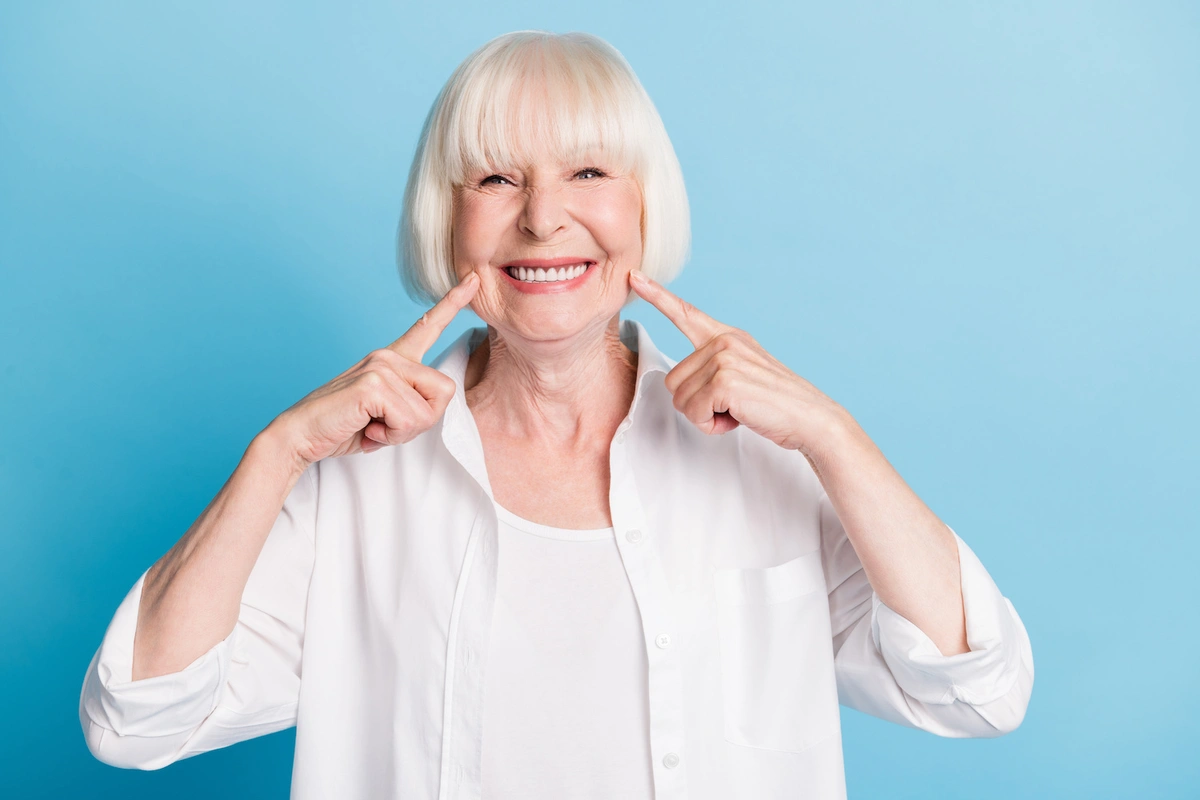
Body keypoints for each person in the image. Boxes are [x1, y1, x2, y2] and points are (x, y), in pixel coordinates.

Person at [79, 29, 1034, 800]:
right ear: (445, 218)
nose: (542, 220)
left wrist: (832, 434)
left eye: (587, 173)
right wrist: (278, 450)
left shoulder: (765, 462)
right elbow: (135, 721)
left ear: (644, 207)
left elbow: (978, 690)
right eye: (497, 179)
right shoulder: (347, 489)